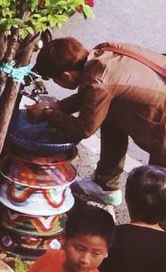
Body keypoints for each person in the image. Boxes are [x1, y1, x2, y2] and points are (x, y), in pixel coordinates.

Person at [28, 37, 166, 206]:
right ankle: (106, 186)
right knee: (106, 113)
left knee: (157, 191)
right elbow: (90, 98)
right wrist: (57, 107)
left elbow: (83, 129)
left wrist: (47, 114)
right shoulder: (103, 54)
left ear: (65, 76)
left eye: (55, 80)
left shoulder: (98, 83)